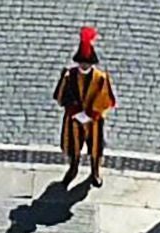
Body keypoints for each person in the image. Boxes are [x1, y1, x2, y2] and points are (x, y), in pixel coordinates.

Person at [53, 26, 115, 187]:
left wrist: (91, 114)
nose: (84, 66)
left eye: (87, 63)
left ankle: (95, 171)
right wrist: (75, 112)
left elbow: (105, 98)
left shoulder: (100, 78)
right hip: (74, 119)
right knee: (74, 146)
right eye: (82, 62)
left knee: (95, 146)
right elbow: (62, 97)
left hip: (93, 120)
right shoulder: (69, 76)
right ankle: (73, 168)